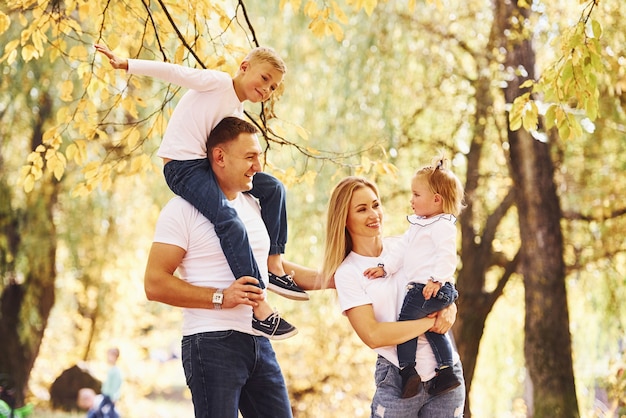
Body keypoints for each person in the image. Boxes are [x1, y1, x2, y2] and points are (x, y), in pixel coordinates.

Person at [95, 43, 308, 339]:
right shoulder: (219, 83)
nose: (267, 89)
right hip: (183, 168)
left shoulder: (237, 111)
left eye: (273, 87)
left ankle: (273, 264)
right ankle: (260, 308)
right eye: (264, 79)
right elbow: (175, 72)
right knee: (228, 221)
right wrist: (127, 63)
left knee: (273, 188)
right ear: (244, 66)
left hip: (207, 167)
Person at [143, 117, 321, 417]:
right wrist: (220, 297)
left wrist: (333, 278)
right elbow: (154, 283)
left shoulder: (253, 205)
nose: (258, 166)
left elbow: (271, 269)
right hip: (211, 342)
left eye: (259, 156)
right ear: (220, 157)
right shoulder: (181, 210)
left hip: (258, 341)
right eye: (250, 157)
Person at [322, 176, 465, 416]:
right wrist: (431, 321)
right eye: (362, 209)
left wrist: (450, 307)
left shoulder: (406, 245)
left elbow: (443, 280)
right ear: (344, 219)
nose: (373, 214)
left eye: (376, 205)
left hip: (446, 373)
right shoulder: (348, 273)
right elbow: (374, 335)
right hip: (399, 377)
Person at [363, 156, 465, 398]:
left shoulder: (443, 226)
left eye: (417, 195)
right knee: (431, 329)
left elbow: (448, 256)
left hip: (431, 287)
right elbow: (400, 250)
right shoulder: (418, 225)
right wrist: (385, 268)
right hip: (427, 287)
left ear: (436, 200)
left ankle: (408, 370)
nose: (411, 200)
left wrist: (436, 279)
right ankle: (446, 370)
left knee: (406, 325)